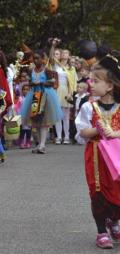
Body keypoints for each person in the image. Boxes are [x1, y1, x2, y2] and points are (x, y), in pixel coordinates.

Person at [75, 55, 120, 249]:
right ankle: (102, 230)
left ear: (109, 86)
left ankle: (115, 221)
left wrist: (115, 132)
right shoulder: (88, 107)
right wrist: (97, 130)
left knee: (118, 192)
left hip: (117, 158)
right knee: (98, 192)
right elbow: (82, 131)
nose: (90, 84)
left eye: (96, 81)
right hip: (96, 159)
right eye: (90, 80)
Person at [20, 49, 63, 154]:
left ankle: (43, 144)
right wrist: (32, 83)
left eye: (37, 58)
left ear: (42, 59)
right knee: (36, 121)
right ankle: (39, 143)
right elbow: (30, 82)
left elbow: (52, 83)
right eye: (34, 58)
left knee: (44, 121)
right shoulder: (31, 71)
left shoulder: (47, 70)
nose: (35, 60)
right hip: (35, 96)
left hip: (45, 96)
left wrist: (41, 82)